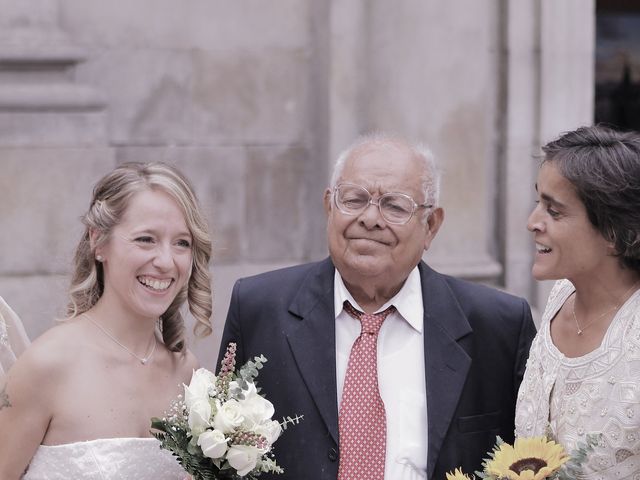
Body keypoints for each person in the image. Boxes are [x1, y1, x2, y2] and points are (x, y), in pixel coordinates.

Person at [218, 134, 537, 480]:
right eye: (353, 199)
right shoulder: (258, 309)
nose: (370, 218)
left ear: (430, 225)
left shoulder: (498, 327)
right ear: (329, 207)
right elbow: (221, 455)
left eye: (395, 205)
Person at [0, 162, 213, 479]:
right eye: (146, 239)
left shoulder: (188, 373)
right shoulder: (46, 367)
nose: (167, 262)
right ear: (99, 242)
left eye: (182, 243)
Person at [515, 125, 640, 478]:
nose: (532, 222)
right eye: (538, 201)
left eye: (554, 211)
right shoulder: (559, 298)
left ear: (616, 234)